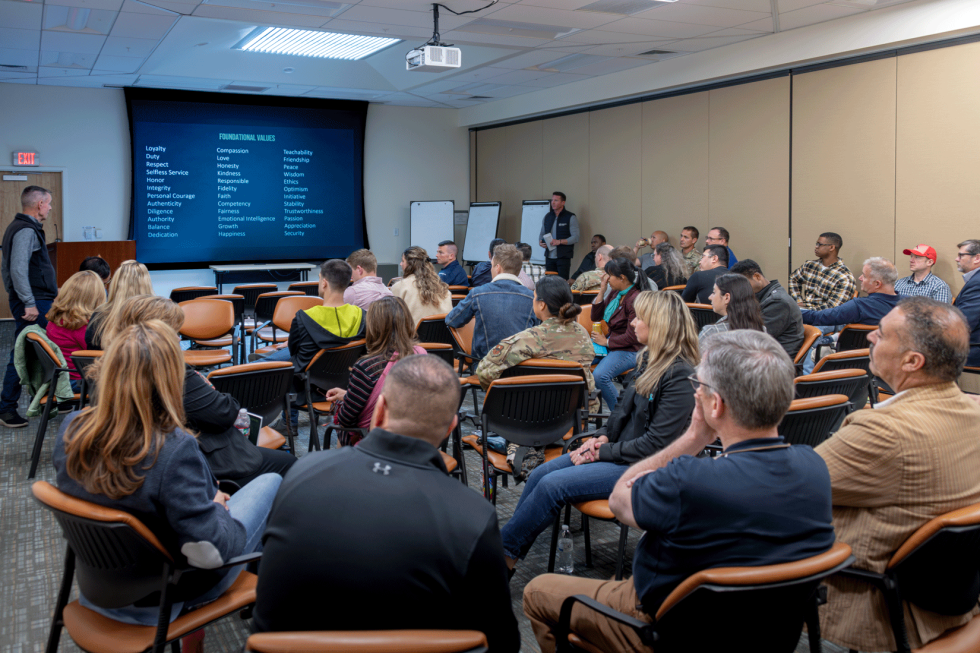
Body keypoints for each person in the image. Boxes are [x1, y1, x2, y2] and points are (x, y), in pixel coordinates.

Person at [524, 330, 835, 653]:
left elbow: (618, 500)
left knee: (537, 591)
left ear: (716, 404)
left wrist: (693, 436)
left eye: (699, 386)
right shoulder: (815, 467)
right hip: (769, 632)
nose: (695, 393)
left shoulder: (691, 479)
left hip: (663, 627)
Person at [252, 356, 522, 653]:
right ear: (450, 428)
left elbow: (266, 615)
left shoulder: (302, 473)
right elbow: (502, 642)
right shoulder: (474, 516)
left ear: (379, 410)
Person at [53, 320, 281, 628]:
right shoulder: (172, 448)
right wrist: (217, 506)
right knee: (272, 482)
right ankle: (267, 609)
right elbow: (210, 555)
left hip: (98, 586)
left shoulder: (72, 427)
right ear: (170, 380)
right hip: (167, 591)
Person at [816, 297, 980, 652]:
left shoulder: (884, 431)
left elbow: (790, 489)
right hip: (946, 600)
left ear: (912, 361)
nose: (870, 336)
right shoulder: (973, 414)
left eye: (882, 333)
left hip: (868, 612)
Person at [501, 290, 698, 575]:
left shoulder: (679, 375)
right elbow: (620, 412)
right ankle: (507, 550)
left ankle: (503, 558)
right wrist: (601, 436)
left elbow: (657, 445)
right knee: (541, 473)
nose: (633, 323)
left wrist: (600, 451)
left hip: (646, 467)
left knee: (552, 486)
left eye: (639, 318)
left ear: (659, 325)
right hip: (621, 453)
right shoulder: (648, 361)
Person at [102, 295, 296, 486]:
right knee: (293, 466)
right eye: (173, 331)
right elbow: (223, 412)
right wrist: (210, 387)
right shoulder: (172, 375)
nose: (179, 338)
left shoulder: (110, 368)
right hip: (195, 465)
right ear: (156, 335)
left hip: (145, 462)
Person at [477, 276, 599, 471]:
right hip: (569, 421)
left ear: (541, 304)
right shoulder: (582, 334)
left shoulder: (531, 338)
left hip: (522, 422)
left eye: (534, 297)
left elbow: (484, 371)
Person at [325, 296, 427, 446]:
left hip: (375, 441)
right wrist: (349, 396)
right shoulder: (421, 354)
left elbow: (346, 420)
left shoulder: (366, 366)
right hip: (414, 437)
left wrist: (345, 402)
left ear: (373, 327)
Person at [0, 185, 59, 428]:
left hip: (33, 300)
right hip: (34, 302)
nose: (50, 207)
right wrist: (27, 302)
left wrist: (16, 296)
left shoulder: (18, 227)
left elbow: (7, 270)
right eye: (49, 203)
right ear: (39, 204)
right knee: (25, 352)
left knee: (31, 351)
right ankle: (7, 408)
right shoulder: (25, 230)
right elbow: (16, 269)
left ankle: (49, 400)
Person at [260, 259, 366, 374]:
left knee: (257, 365)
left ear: (324, 283)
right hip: (343, 375)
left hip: (305, 378)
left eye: (319, 278)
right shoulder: (362, 316)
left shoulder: (303, 318)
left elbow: (294, 351)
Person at [800, 257, 901, 373]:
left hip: (849, 367)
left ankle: (806, 379)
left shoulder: (859, 307)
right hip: (892, 369)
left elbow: (818, 317)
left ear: (877, 284)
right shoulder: (910, 306)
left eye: (864, 276)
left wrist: (793, 311)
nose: (860, 278)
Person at [446, 244, 538, 361]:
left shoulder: (477, 293)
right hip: (521, 366)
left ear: (497, 268)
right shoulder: (532, 298)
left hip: (485, 365)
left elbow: (451, 320)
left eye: (492, 265)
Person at [590, 257, 653, 412]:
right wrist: (602, 291)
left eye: (609, 275)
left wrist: (606, 342)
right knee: (578, 360)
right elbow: (596, 316)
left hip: (631, 349)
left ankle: (619, 415)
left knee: (600, 376)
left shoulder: (635, 299)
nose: (606, 278)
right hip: (613, 343)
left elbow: (632, 336)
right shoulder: (616, 293)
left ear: (622, 278)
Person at [731, 259, 805, 359]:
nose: (741, 289)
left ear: (757, 277)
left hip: (777, 362)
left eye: (743, 285)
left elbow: (754, 337)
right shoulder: (765, 297)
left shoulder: (778, 302)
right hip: (765, 357)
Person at [44, 271, 105, 391]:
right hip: (78, 380)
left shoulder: (57, 318)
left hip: (63, 376)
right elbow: (100, 354)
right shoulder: (81, 325)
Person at [85, 259, 154, 350]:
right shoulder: (157, 314)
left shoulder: (99, 314)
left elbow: (91, 350)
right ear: (147, 284)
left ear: (115, 284)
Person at [788, 231, 856, 310]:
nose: (816, 247)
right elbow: (793, 278)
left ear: (831, 247)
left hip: (822, 315)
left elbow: (833, 308)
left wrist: (806, 308)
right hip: (803, 312)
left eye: (819, 244)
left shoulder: (844, 276)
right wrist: (798, 301)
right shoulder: (810, 265)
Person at [698, 273, 765, 348]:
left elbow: (695, 355)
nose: (710, 297)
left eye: (714, 292)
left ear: (726, 297)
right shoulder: (762, 331)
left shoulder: (710, 333)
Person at [390, 246, 453, 326]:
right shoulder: (443, 288)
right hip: (443, 333)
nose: (400, 264)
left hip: (411, 333)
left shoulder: (399, 287)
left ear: (410, 264)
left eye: (403, 261)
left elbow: (393, 320)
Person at [538, 192, 580, 279]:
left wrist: (560, 241)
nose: (553, 202)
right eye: (552, 200)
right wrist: (540, 242)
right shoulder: (548, 216)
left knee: (562, 281)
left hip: (563, 257)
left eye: (556, 200)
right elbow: (542, 233)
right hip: (549, 257)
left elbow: (575, 237)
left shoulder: (570, 217)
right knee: (549, 282)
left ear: (563, 202)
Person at [954, 239, 980, 366]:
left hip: (972, 351)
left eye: (961, 255)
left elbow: (964, 324)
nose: (956, 259)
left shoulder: (977, 283)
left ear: (977, 258)